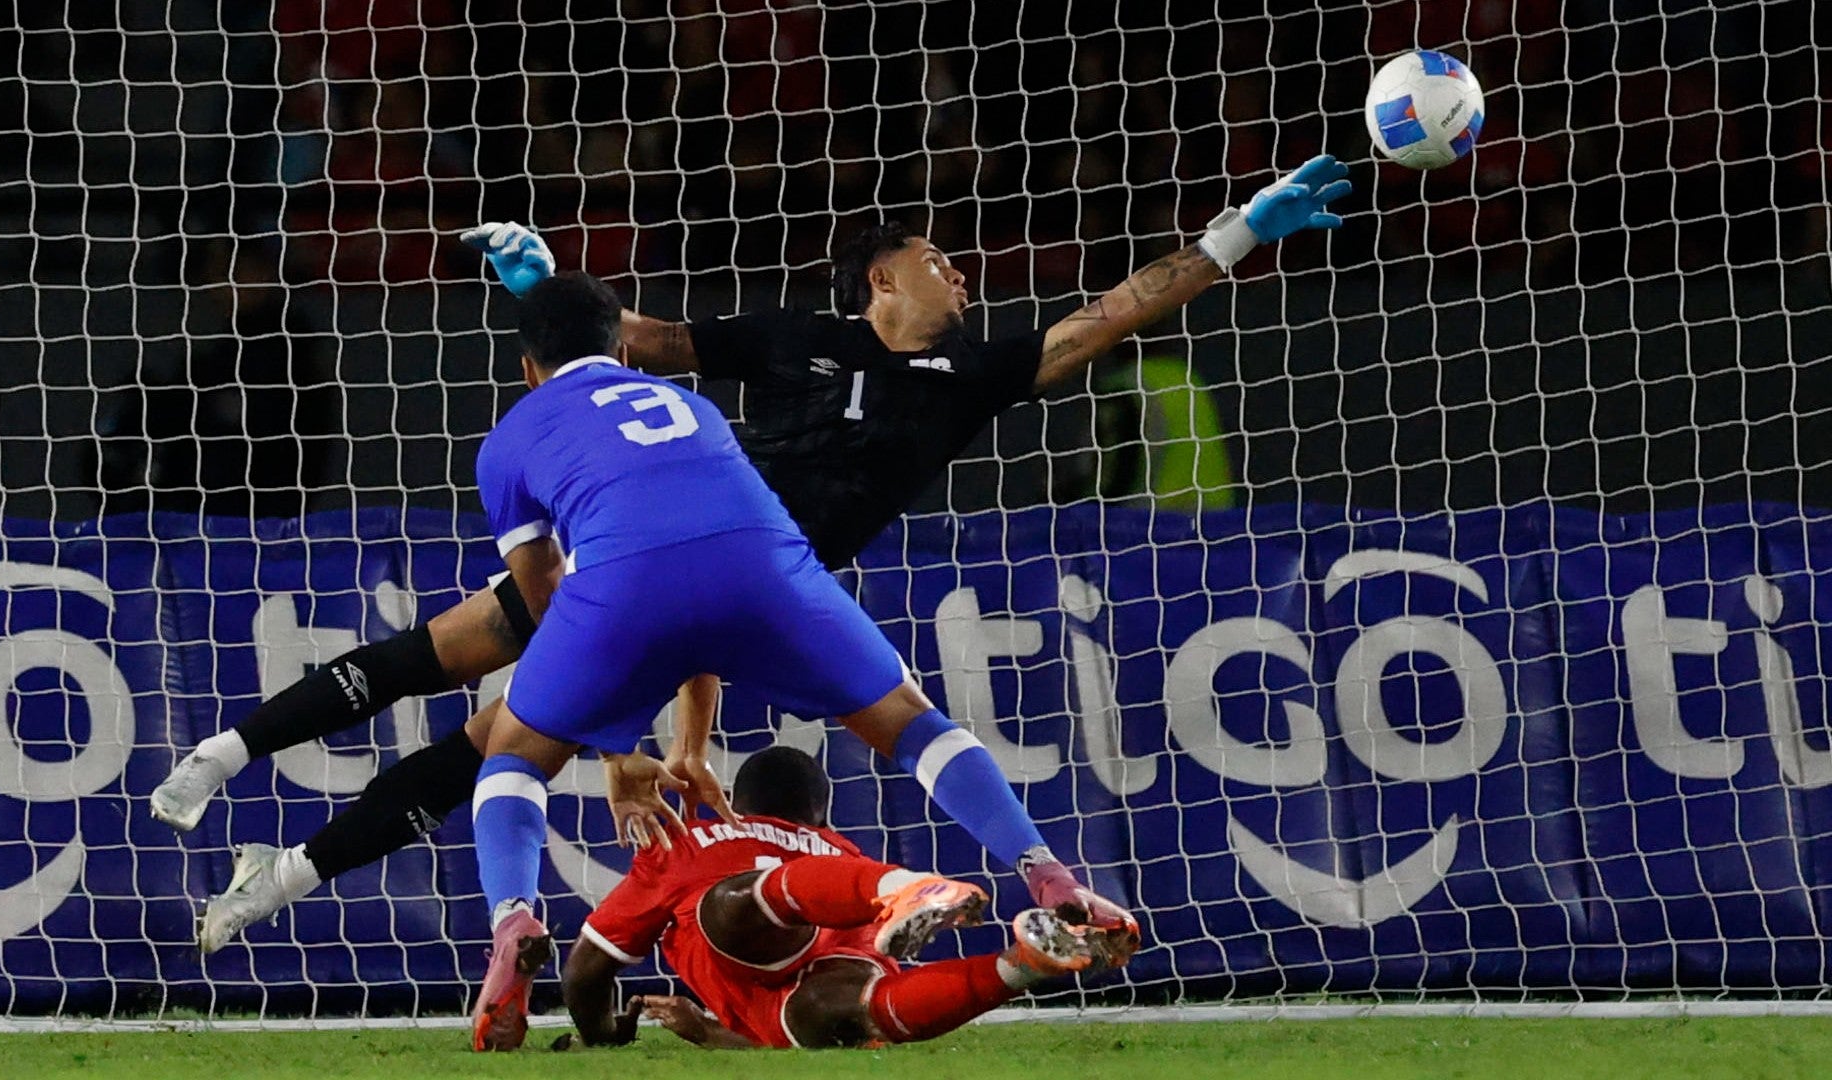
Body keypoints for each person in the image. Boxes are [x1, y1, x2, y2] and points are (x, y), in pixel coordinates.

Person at [152, 154, 1350, 950]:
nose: (962, 273)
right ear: (883, 278)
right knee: (454, 664)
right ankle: (238, 776)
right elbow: (638, 346)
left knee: (494, 737)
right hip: (663, 550)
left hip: (736, 581)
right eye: (939, 259)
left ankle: (290, 871)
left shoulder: (970, 373)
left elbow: (1114, 310)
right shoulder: (792, 339)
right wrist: (550, 288)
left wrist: (1240, 232)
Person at [446, 270, 1136, 1051]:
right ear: (623, 351)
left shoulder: (512, 438)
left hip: (622, 587)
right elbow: (699, 588)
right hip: (766, 568)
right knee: (914, 724)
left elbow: (546, 596)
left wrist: (608, 738)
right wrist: (687, 745)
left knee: (513, 758)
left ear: (527, 368)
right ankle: (1047, 872)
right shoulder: (691, 407)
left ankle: (513, 916)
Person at [556, 746, 1106, 1052]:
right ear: (819, 814)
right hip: (835, 916)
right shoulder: (841, 852)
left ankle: (1012, 963)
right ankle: (1007, 952)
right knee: (848, 1006)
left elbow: (585, 971)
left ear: (737, 802)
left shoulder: (689, 839)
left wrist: (602, 1036)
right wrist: (705, 1031)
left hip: (740, 939)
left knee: (728, 908)